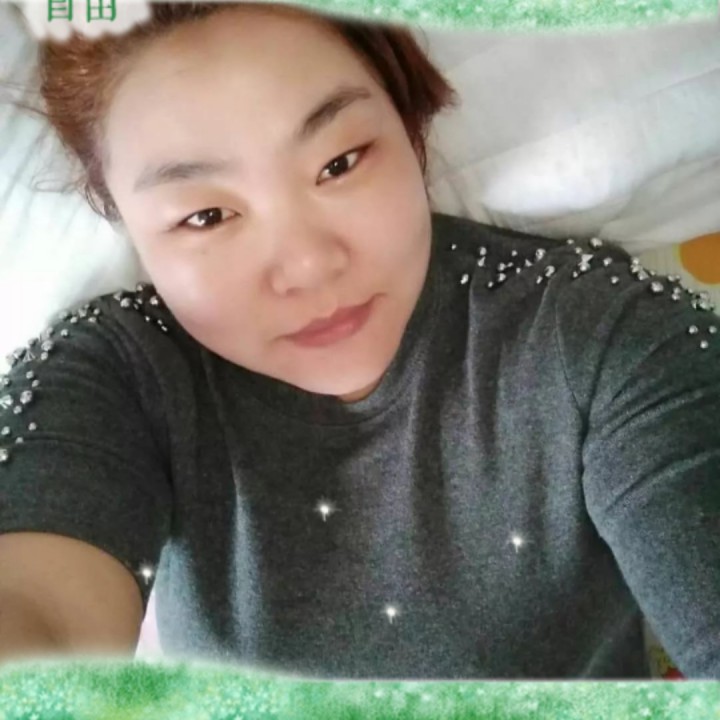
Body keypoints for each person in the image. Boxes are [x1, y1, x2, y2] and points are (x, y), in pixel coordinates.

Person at [0, 1, 718, 679]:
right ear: (125, 221)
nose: (310, 266)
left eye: (340, 162)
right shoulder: (118, 376)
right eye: (207, 216)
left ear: (408, 124)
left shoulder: (593, 330)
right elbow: (41, 616)